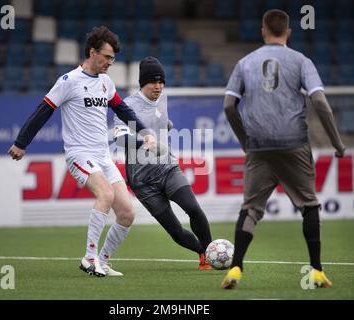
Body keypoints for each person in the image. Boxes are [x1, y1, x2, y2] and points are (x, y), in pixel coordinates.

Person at [8, 26, 156, 277]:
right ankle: (89, 258)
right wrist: (22, 143)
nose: (111, 62)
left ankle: (103, 261)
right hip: (79, 154)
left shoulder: (106, 83)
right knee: (105, 195)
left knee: (127, 213)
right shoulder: (68, 81)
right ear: (92, 52)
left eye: (113, 58)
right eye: (107, 57)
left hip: (102, 156)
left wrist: (145, 133)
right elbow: (43, 111)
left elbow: (123, 111)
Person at [221, 9, 346, 289]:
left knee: (251, 209)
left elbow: (229, 106)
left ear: (263, 30)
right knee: (309, 204)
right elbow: (321, 103)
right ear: (288, 32)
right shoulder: (301, 61)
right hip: (294, 144)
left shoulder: (244, 63)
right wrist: (337, 144)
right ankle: (316, 271)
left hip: (259, 147)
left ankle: (236, 269)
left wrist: (245, 141)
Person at [113, 56, 213, 270]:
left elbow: (159, 121)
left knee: (193, 208)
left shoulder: (163, 98)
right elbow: (120, 138)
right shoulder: (127, 106)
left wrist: (165, 126)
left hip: (167, 169)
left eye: (161, 82)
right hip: (142, 182)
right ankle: (202, 252)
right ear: (143, 83)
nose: (158, 87)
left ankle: (212, 254)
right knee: (175, 231)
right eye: (153, 82)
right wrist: (145, 142)